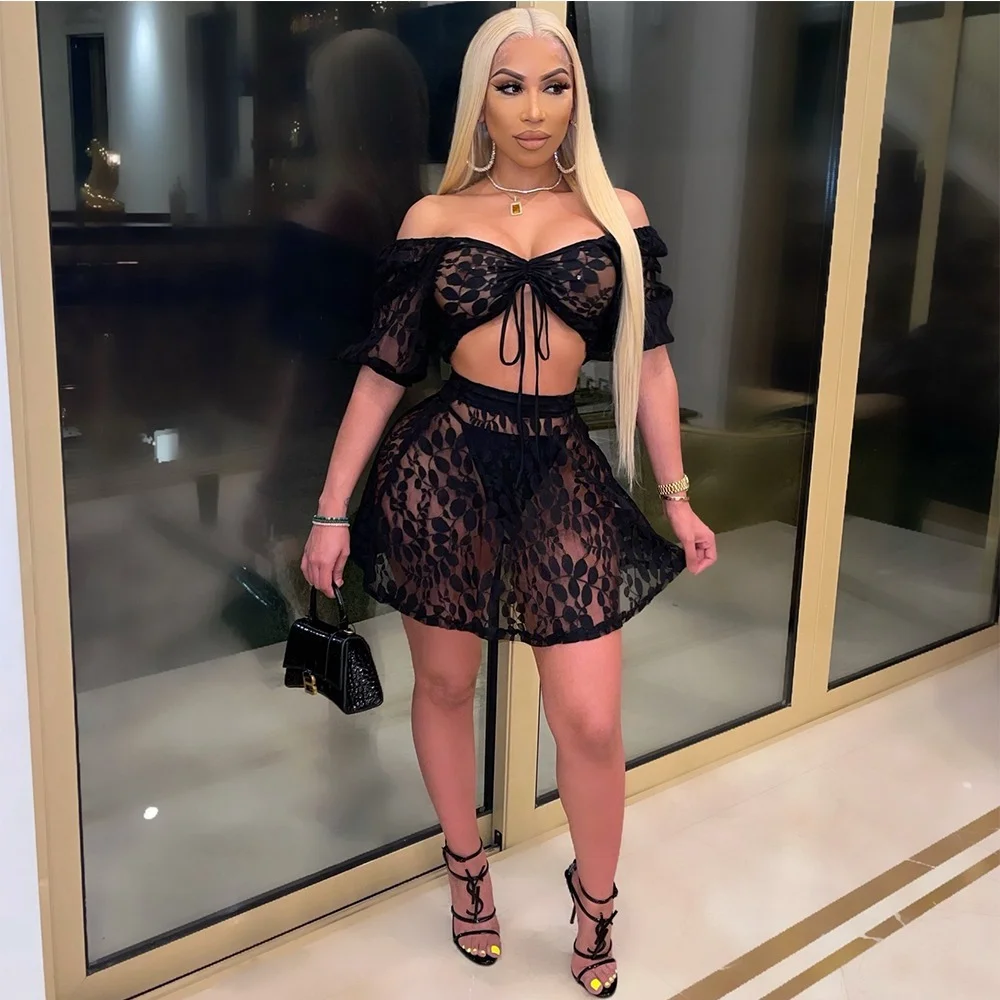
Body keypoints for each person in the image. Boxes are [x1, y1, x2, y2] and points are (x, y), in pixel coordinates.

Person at [301, 8, 716, 997]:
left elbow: (653, 368)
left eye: (554, 86)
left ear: (577, 100)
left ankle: (597, 899)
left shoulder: (615, 211)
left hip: (559, 470)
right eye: (511, 85)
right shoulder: (433, 218)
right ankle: (466, 867)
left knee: (591, 720)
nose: (534, 109)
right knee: (446, 688)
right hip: (444, 468)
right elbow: (382, 373)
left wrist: (677, 495)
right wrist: (330, 509)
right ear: (479, 102)